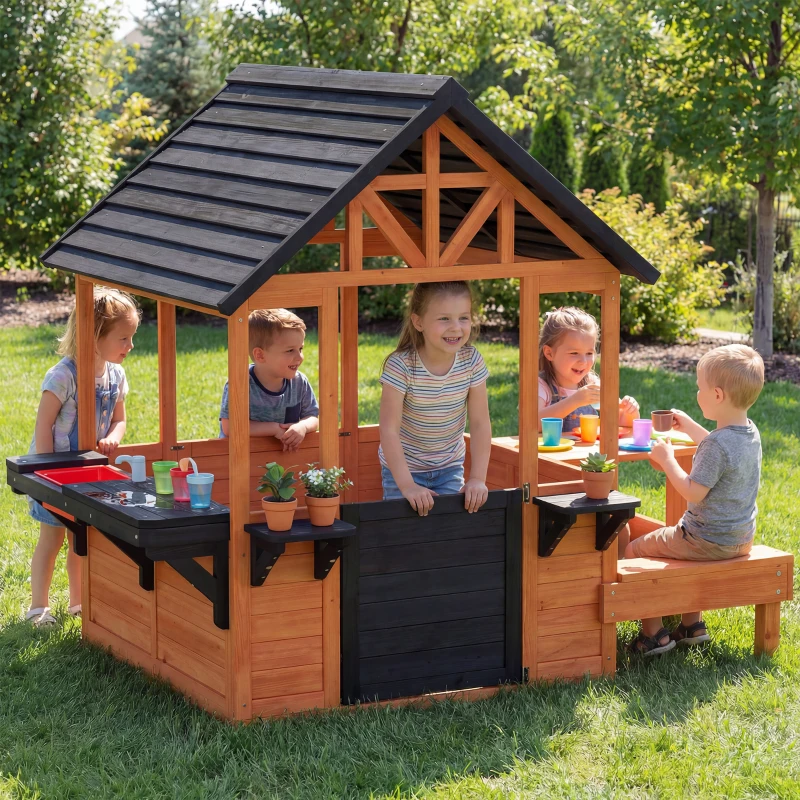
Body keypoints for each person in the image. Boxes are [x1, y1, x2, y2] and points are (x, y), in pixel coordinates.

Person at [625, 344, 765, 655]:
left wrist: (666, 459)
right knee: (675, 542)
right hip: (739, 538)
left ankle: (653, 635)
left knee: (634, 550)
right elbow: (717, 449)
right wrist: (688, 424)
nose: (696, 393)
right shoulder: (749, 432)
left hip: (704, 539)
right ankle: (692, 625)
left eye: (699, 388)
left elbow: (691, 490)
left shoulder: (717, 445)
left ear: (717, 395)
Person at [26, 287, 140, 627]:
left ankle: (79, 601)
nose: (130, 347)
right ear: (93, 335)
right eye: (123, 338)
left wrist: (112, 438)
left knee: (82, 539)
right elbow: (43, 424)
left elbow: (120, 419)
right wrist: (45, 473)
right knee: (52, 538)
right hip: (55, 472)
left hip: (89, 474)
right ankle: (38, 608)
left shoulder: (116, 376)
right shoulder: (63, 376)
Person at [379, 281, 491, 517]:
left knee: (446, 538)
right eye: (444, 319)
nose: (456, 328)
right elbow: (388, 430)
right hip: (403, 470)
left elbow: (480, 423)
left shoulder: (471, 361)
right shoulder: (402, 366)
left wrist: (477, 479)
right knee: (404, 538)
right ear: (418, 322)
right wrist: (408, 486)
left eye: (463, 317)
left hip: (449, 468)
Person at [219, 308, 318, 451]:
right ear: (260, 355)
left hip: (284, 459)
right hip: (239, 457)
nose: (299, 357)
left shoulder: (299, 382)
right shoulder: (241, 383)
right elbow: (230, 427)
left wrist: (302, 426)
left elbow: (312, 416)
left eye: (300, 349)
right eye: (290, 350)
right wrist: (274, 429)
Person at [538, 306, 639, 432]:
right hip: (548, 452)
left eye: (589, 353)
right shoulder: (541, 386)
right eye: (574, 353)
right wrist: (575, 400)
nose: (583, 361)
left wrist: (630, 411)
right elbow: (533, 423)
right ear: (549, 353)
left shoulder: (592, 383)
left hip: (589, 452)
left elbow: (620, 421)